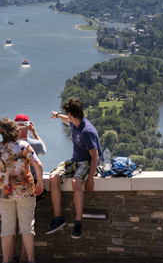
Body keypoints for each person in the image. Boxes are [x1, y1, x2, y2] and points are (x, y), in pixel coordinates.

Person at [0, 117, 44, 263]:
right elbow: (38, 166)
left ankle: (6, 260)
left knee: (7, 229)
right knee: (27, 228)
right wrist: (40, 183)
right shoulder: (24, 146)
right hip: (26, 192)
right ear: (15, 130)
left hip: (4, 194)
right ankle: (30, 260)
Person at [46, 98, 101, 239]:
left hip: (87, 162)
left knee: (76, 183)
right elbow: (67, 121)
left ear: (70, 113)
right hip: (74, 161)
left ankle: (78, 223)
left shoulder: (87, 131)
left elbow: (95, 156)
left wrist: (90, 179)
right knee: (53, 178)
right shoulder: (75, 123)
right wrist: (58, 115)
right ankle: (58, 219)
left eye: (67, 113)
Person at [10, 114, 47, 263]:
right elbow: (43, 150)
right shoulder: (34, 144)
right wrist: (34, 132)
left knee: (12, 225)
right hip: (29, 188)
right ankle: (25, 258)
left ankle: (11, 256)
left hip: (11, 188)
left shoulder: (9, 144)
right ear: (27, 126)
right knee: (27, 225)